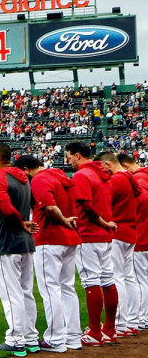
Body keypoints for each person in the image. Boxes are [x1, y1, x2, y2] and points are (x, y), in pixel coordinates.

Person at [16, 155, 82, 353]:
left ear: (27, 169)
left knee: (50, 289)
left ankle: (55, 339)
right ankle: (73, 336)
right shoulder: (62, 176)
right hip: (70, 239)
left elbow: (49, 207)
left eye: (22, 174)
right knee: (67, 288)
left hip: (49, 238)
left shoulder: (41, 179)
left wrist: (63, 221)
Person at [0, 143, 39, 357]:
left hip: (5, 244)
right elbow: (29, 205)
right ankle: (31, 338)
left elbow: (7, 209)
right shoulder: (24, 178)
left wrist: (21, 223)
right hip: (25, 243)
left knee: (11, 294)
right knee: (26, 293)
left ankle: (15, 339)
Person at [67, 141, 118, 345]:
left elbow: (87, 207)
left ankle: (95, 332)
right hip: (105, 236)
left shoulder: (82, 175)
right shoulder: (104, 173)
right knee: (108, 280)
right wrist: (106, 224)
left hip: (88, 233)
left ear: (78, 155)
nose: (68, 160)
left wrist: (101, 222)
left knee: (91, 282)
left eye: (69, 156)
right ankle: (110, 329)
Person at [98, 151, 140, 336]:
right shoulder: (130, 178)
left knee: (116, 277)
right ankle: (131, 320)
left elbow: (103, 203)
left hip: (117, 230)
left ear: (107, 164)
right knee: (128, 277)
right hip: (130, 231)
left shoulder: (115, 180)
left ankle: (120, 322)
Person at [119, 153, 148, 331]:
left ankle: (141, 317)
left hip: (141, 237)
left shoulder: (138, 180)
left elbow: (141, 202)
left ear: (125, 166)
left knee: (138, 280)